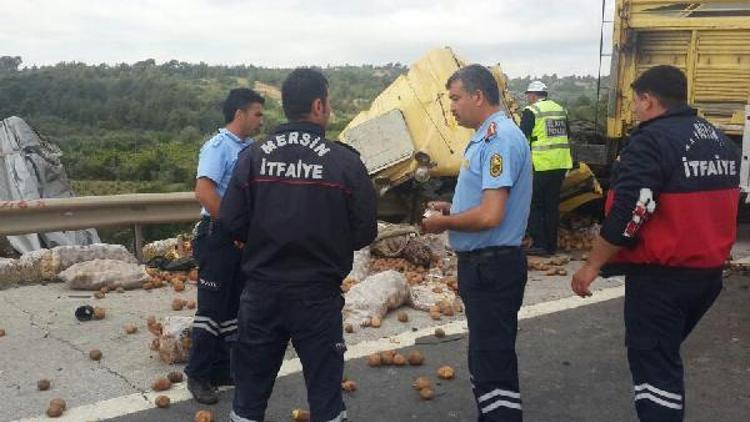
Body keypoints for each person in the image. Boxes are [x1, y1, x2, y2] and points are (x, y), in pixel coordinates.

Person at [571, 65, 740, 421]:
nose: (633, 108)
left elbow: (632, 209)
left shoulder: (652, 140)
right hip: (707, 277)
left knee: (655, 373)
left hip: (663, 280)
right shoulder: (719, 140)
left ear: (648, 99)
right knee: (664, 356)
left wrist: (592, 264)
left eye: (635, 101)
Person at [220, 68, 378, 422]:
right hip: (318, 295)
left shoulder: (253, 156)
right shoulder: (345, 162)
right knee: (325, 398)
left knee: (248, 398)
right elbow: (365, 231)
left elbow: (231, 221)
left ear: (288, 106)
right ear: (319, 105)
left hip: (261, 292)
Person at [422, 64, 533, 422]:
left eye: (455, 98)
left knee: (492, 362)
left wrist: (444, 223)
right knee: (487, 357)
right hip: (487, 263)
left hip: (492, 266)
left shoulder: (498, 138)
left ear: (478, 96)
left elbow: (489, 216)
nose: (451, 107)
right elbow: (485, 204)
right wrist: (452, 208)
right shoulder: (488, 136)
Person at [186, 88, 265, 404]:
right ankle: (198, 374)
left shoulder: (249, 149)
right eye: (257, 114)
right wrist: (234, 227)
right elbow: (204, 192)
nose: (262, 120)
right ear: (240, 114)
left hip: (238, 239)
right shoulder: (218, 147)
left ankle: (221, 369)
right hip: (219, 236)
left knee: (232, 307)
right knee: (211, 309)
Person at [520, 80, 572, 256]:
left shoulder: (532, 111)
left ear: (533, 95)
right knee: (551, 206)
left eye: (528, 95)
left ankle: (539, 243)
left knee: (535, 205)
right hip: (561, 163)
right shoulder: (559, 109)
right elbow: (567, 135)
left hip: (541, 164)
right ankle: (551, 246)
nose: (528, 98)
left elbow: (522, 139)